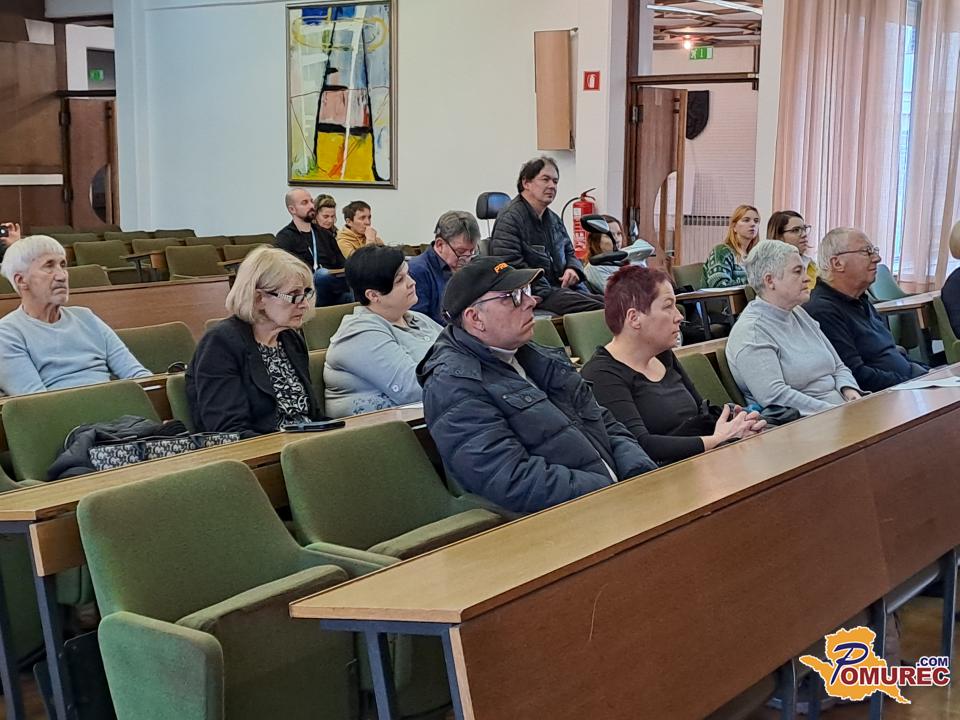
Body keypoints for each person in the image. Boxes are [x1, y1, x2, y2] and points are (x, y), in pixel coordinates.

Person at [417, 256, 656, 515]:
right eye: (513, 297)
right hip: (563, 519)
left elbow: (603, 421)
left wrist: (638, 472)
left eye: (526, 291)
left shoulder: (535, 356)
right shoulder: (453, 384)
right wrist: (609, 488)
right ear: (475, 318)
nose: (531, 301)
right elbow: (511, 480)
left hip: (613, 499)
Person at [581, 265, 764, 466]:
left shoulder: (662, 354)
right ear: (634, 318)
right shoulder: (601, 375)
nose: (679, 316)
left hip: (702, 462)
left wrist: (736, 421)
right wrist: (717, 439)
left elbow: (701, 413)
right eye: (668, 306)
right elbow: (640, 446)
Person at [186, 247, 320, 437]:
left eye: (306, 293)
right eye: (294, 295)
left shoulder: (290, 339)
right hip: (262, 451)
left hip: (304, 443)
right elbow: (228, 430)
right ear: (259, 298)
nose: (304, 304)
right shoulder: (220, 344)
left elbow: (312, 415)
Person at [0, 235, 151, 395]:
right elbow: (35, 403)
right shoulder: (7, 334)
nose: (62, 276)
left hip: (116, 407)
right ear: (21, 280)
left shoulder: (86, 317)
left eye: (63, 265)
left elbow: (137, 374)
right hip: (64, 410)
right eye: (49, 266)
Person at [725, 240, 863, 416]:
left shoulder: (798, 313)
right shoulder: (751, 332)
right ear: (770, 280)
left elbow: (838, 366)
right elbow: (775, 397)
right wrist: (835, 412)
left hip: (841, 411)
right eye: (797, 272)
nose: (807, 278)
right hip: (804, 422)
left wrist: (851, 394)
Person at [324, 245, 441, 417]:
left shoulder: (419, 319)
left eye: (408, 274)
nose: (412, 282)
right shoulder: (359, 335)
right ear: (373, 295)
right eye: (400, 280)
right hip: (382, 430)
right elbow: (414, 389)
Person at [804, 227, 926, 392]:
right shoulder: (823, 310)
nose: (877, 258)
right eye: (866, 252)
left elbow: (890, 354)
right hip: (886, 396)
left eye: (874, 251)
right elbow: (855, 375)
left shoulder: (860, 299)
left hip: (907, 383)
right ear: (837, 263)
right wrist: (913, 382)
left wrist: (928, 374)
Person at [489, 156, 604, 314]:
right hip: (537, 293)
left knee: (613, 303)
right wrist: (547, 288)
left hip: (564, 289)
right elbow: (509, 265)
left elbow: (570, 252)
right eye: (545, 179)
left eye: (555, 181)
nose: (552, 186)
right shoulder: (510, 219)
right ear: (526, 183)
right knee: (603, 309)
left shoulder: (554, 219)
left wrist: (573, 269)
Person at [275, 189, 352, 307]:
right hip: (307, 293)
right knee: (322, 275)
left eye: (311, 201)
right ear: (292, 209)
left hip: (334, 291)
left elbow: (342, 264)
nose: (311, 206)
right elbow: (287, 274)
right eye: (305, 203)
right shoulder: (285, 237)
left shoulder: (325, 234)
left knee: (357, 279)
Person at [408, 210, 480, 324]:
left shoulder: (473, 262)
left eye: (472, 251)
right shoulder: (417, 271)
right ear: (440, 244)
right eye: (460, 251)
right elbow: (420, 324)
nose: (467, 258)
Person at [702, 204, 760, 287]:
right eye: (746, 220)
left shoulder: (755, 256)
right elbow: (719, 285)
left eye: (756, 221)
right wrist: (753, 283)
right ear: (734, 227)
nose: (753, 224)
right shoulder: (722, 251)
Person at [767, 210, 817, 286]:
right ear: (779, 236)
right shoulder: (769, 269)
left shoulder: (812, 265)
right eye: (796, 230)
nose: (804, 234)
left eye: (804, 229)